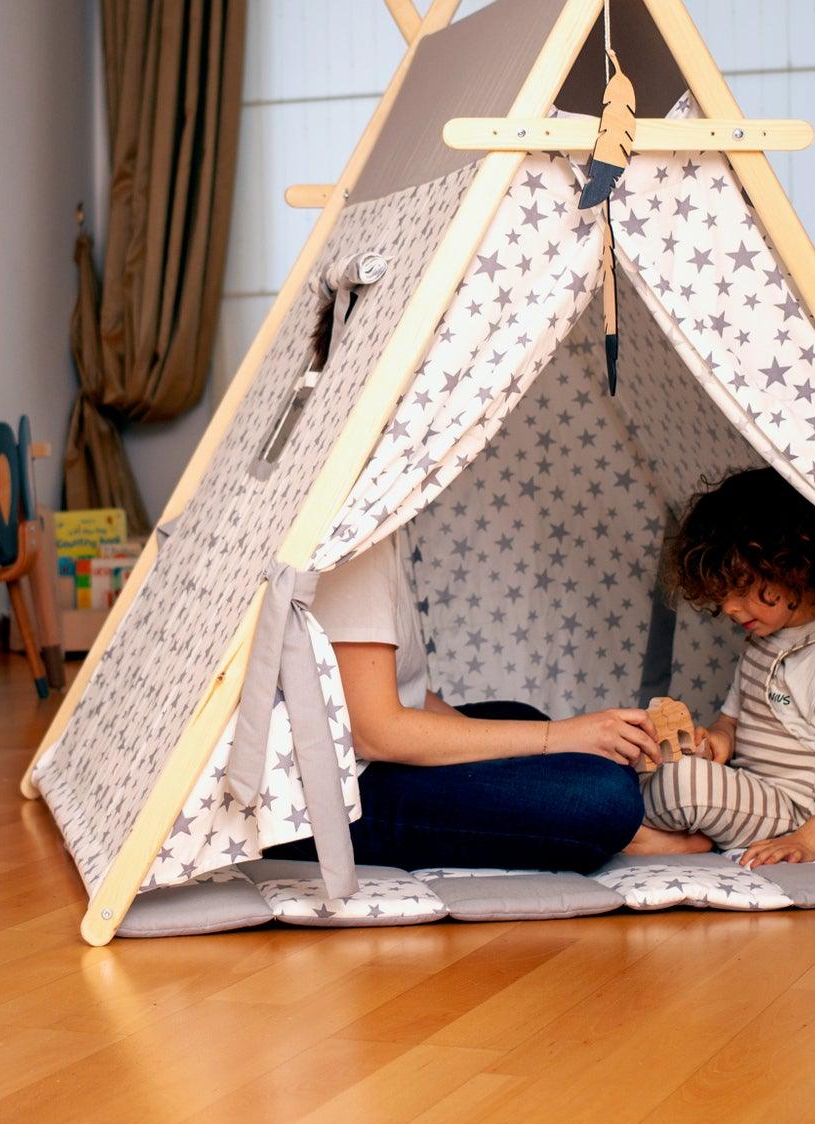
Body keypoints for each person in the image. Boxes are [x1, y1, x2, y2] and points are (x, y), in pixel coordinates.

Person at [266, 285, 660, 874]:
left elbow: (390, 690)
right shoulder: (346, 521)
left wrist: (550, 741)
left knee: (519, 716)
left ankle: (582, 790)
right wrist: (563, 742)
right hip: (329, 801)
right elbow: (376, 732)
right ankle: (627, 832)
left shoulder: (369, 493)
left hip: (356, 757)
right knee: (598, 794)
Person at [636, 467, 815, 867]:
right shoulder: (764, 641)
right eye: (723, 595)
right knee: (647, 753)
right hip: (758, 791)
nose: (729, 608)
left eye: (740, 589)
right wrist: (717, 741)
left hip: (800, 810)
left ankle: (631, 830)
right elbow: (730, 722)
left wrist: (807, 840)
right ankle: (653, 827)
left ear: (797, 566)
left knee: (683, 783)